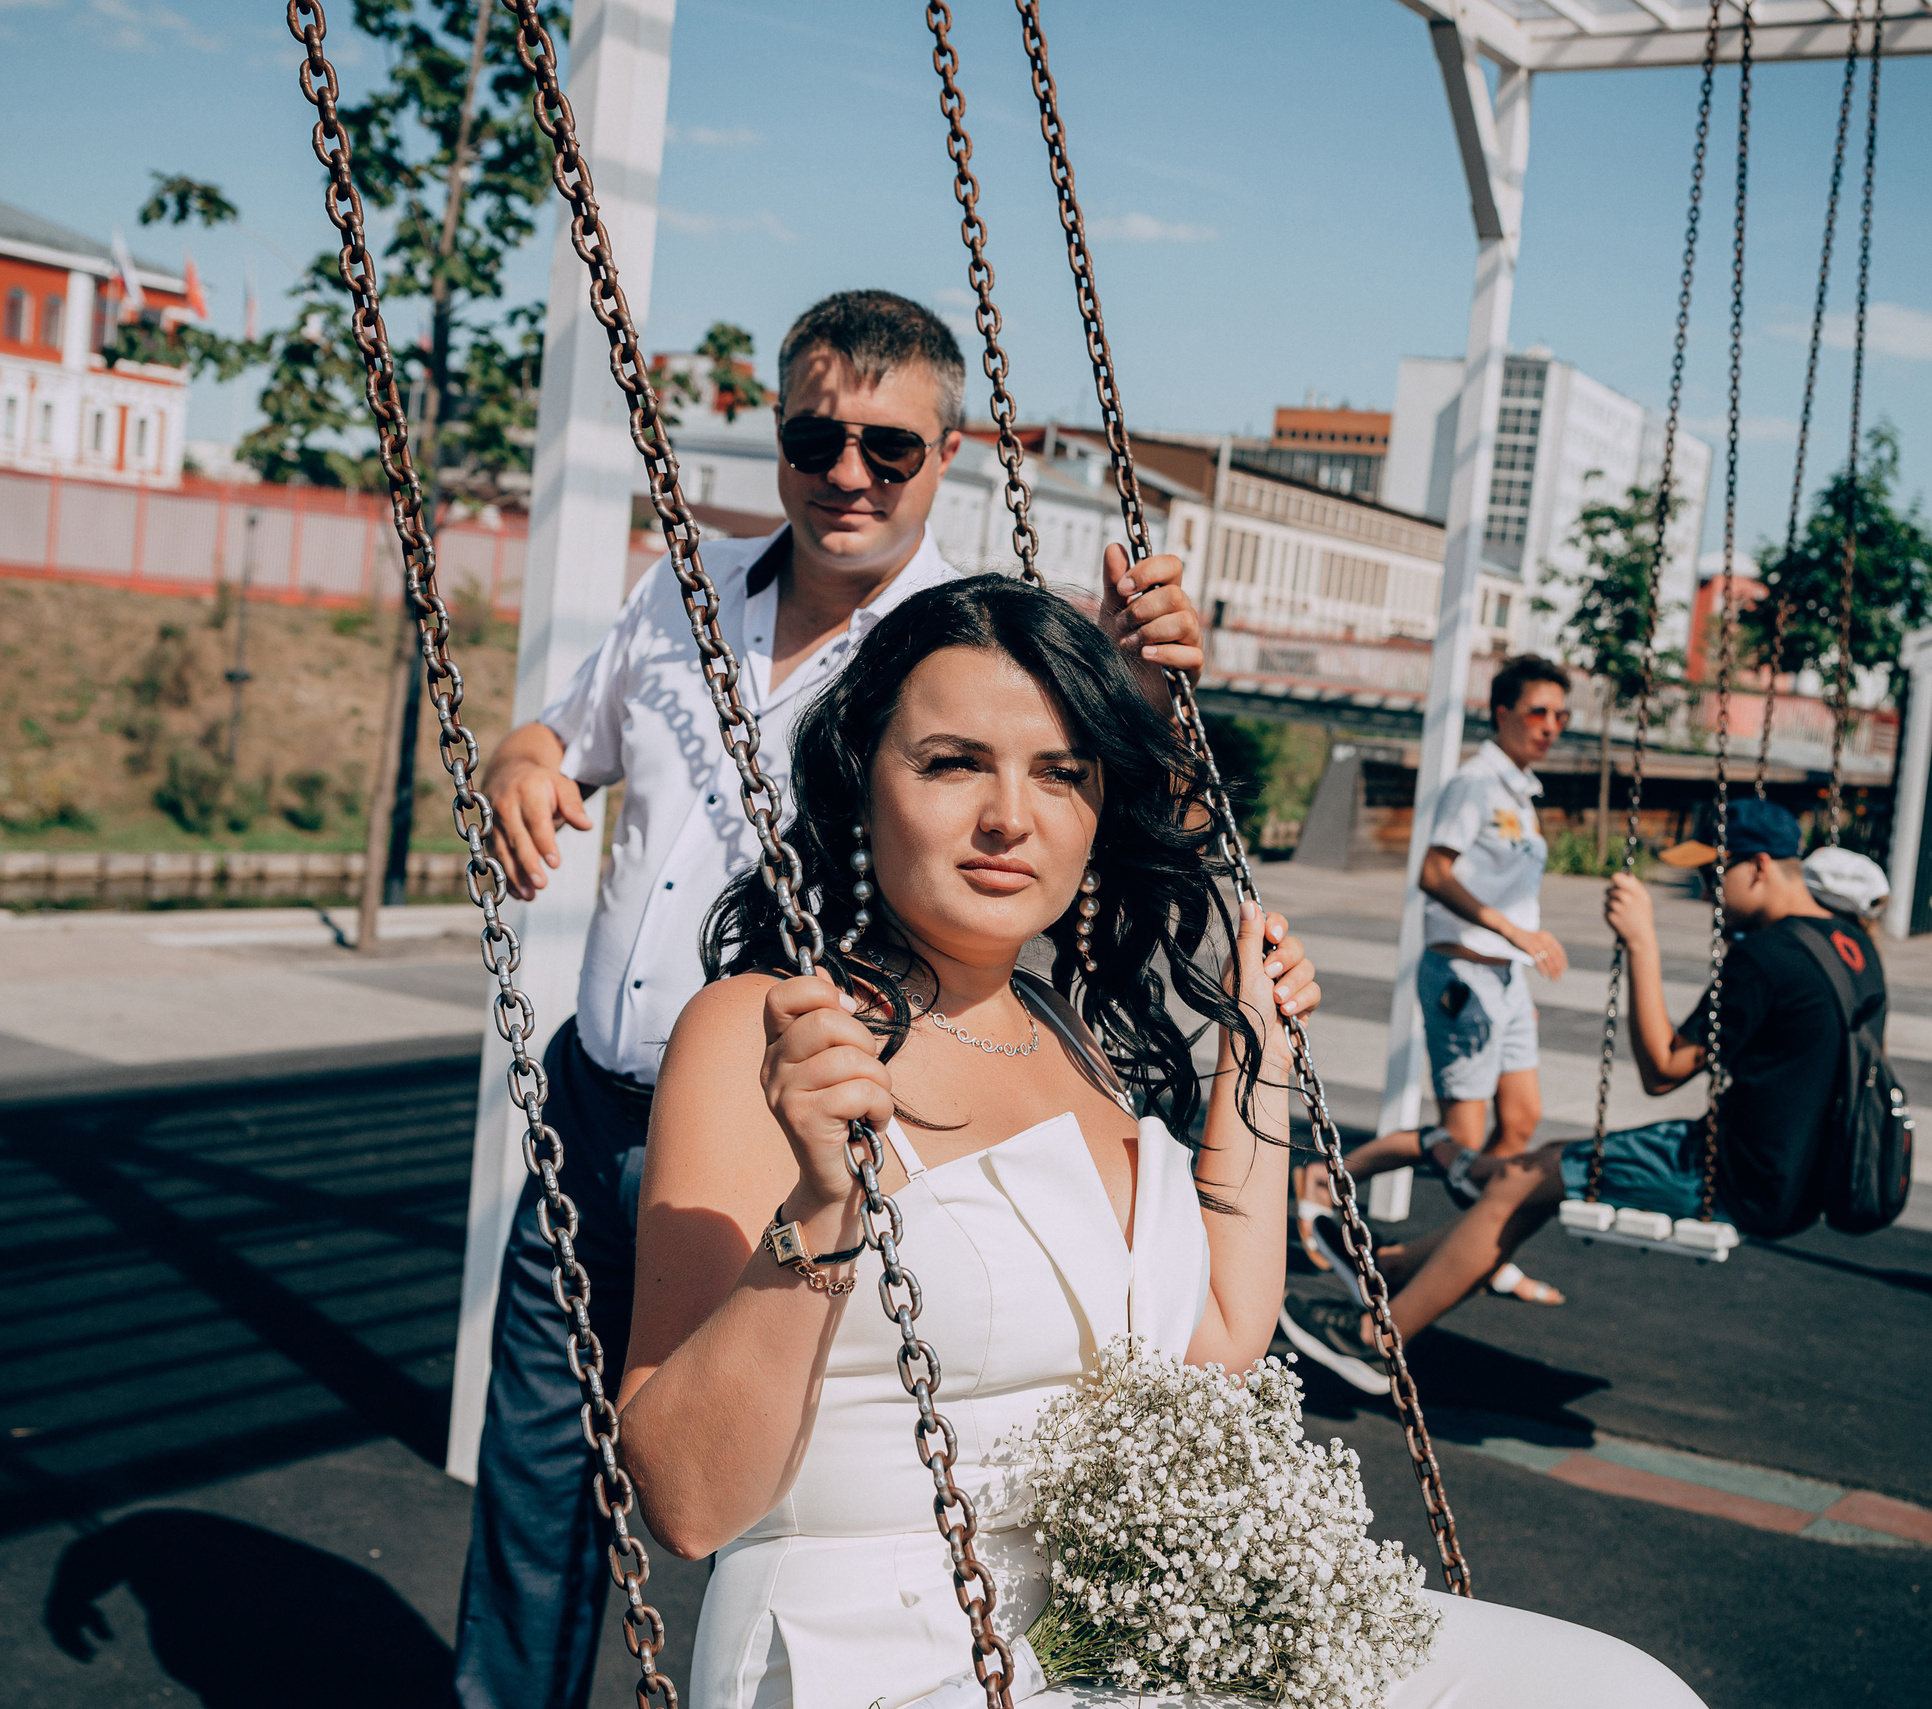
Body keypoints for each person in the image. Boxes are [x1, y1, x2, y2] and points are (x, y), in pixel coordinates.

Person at [621, 576, 1705, 1708]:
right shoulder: (770, 1026)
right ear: (861, 786)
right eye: (951, 763)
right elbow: (689, 1500)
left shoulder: (1065, 1030)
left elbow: (1222, 1336)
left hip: (1123, 1607)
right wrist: (822, 1215)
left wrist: (1262, 1054)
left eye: (1060, 772)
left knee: (1621, 1690)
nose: (1009, 816)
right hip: (880, 1641)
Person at [449, 289, 1207, 1709]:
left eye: (891, 447)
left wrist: (1142, 685)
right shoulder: (686, 589)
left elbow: (1062, 793)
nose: (847, 472)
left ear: (950, 451)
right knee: (538, 1473)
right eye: (815, 436)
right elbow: (570, 731)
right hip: (598, 1093)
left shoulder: (947, 655)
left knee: (741, 1461)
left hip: (774, 1107)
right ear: (780, 436)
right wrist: (518, 752)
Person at [1281, 798, 1884, 1396]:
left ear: (1757, 868)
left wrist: (1641, 942)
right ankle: (1399, 1268)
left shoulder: (1769, 958)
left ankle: (1371, 1340)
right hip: (1802, 1183)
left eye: (1712, 875)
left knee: (1522, 1180)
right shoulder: (1852, 948)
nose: (1706, 894)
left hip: (1736, 1174)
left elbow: (1664, 1069)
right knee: (1533, 1170)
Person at [1295, 655, 1572, 1310]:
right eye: (1538, 711)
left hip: (1505, 979)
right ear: (1502, 713)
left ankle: (1480, 1249)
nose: (1551, 726)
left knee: (1523, 1123)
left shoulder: (1520, 791)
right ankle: (1323, 1175)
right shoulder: (1475, 783)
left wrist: (1517, 969)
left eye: (1561, 715)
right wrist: (1513, 933)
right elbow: (1434, 873)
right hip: (1464, 972)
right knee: (1462, 1146)